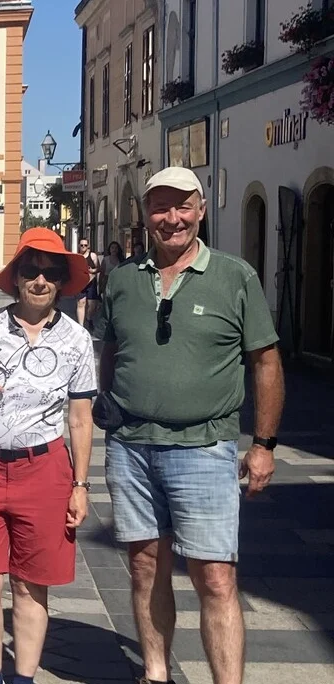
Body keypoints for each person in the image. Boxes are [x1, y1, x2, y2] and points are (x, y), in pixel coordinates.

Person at [96, 167, 285, 684]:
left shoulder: (234, 276)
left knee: (216, 577)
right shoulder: (121, 280)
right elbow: (109, 350)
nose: (171, 218)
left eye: (182, 206)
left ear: (201, 210)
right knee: (144, 566)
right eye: (160, 207)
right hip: (132, 445)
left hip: (204, 447)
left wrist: (263, 444)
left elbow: (266, 362)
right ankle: (156, 672)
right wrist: (110, 410)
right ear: (146, 215)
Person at [0, 228, 97, 684]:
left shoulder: (77, 340)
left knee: (31, 587)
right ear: (15, 278)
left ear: (61, 282)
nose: (39, 280)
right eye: (30, 271)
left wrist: (80, 486)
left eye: (50, 273)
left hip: (46, 468)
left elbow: (80, 418)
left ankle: (23, 678)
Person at [75, 238, 100, 328]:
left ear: (88, 246)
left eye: (85, 245)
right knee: (81, 303)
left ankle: (89, 318)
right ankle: (81, 326)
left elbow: (98, 268)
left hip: (91, 282)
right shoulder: (77, 257)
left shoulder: (92, 256)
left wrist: (92, 270)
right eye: (81, 245)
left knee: (92, 305)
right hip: (81, 282)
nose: (83, 247)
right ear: (79, 246)